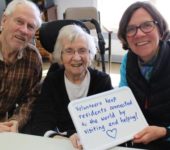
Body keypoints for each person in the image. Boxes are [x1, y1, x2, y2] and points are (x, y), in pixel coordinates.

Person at [29, 24, 113, 149]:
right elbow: (41, 122)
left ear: (90, 54)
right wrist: (61, 138)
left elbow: (111, 123)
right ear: (60, 56)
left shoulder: (102, 81)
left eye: (82, 50)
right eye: (69, 51)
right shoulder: (52, 82)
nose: (77, 57)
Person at [117, 1, 170, 149]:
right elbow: (122, 101)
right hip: (138, 138)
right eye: (131, 29)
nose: (139, 34)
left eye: (147, 25)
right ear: (125, 36)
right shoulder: (128, 60)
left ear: (160, 29)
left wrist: (164, 132)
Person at [0, 0, 42, 133]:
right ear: (4, 20)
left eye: (30, 26)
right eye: (19, 21)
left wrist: (16, 121)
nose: (24, 30)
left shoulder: (32, 59)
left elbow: (31, 99)